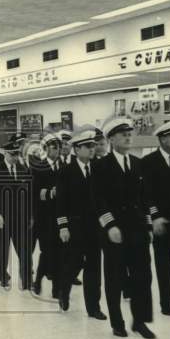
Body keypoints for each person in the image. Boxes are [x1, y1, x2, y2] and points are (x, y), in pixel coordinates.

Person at [92, 116, 153, 339]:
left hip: (137, 230)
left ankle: (140, 321)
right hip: (114, 231)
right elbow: (98, 200)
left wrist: (148, 226)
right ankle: (117, 322)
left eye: (129, 133)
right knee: (115, 277)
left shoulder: (138, 163)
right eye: (122, 134)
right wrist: (110, 225)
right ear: (111, 139)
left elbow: (145, 198)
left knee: (142, 276)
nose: (128, 137)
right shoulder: (100, 166)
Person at [54, 127, 99, 311]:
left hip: (95, 226)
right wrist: (63, 226)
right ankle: (64, 292)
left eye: (93, 146)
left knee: (94, 268)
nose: (92, 149)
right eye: (88, 146)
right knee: (74, 263)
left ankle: (93, 307)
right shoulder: (66, 171)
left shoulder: (97, 168)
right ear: (77, 149)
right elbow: (61, 202)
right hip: (75, 225)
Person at [141, 120, 170, 316]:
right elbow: (146, 194)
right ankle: (165, 303)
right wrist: (154, 217)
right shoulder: (148, 162)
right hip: (161, 224)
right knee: (163, 266)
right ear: (163, 139)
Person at [0, 134, 34, 290]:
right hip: (3, 217)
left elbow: (29, 194)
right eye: (12, 154)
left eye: (17, 154)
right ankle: (3, 275)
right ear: (5, 153)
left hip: (21, 217)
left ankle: (26, 280)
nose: (15, 157)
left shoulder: (23, 169)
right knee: (2, 251)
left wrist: (31, 215)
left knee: (25, 250)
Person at [31, 134, 63, 297]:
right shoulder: (38, 167)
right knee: (47, 251)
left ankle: (55, 288)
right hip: (44, 217)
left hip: (60, 216)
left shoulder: (63, 166)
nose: (57, 150)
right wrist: (49, 193)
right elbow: (34, 192)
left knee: (58, 252)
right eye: (53, 147)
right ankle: (38, 281)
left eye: (58, 147)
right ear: (45, 149)